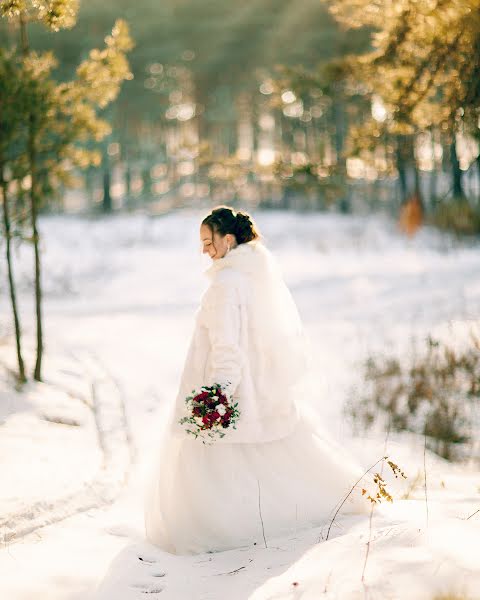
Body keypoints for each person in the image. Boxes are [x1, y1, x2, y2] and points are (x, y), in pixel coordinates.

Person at [144, 205, 371, 555]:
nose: (204, 250)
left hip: (228, 386)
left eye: (208, 242)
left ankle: (227, 526)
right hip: (256, 387)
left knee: (217, 466)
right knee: (265, 459)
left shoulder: (224, 285)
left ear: (229, 239)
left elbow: (227, 347)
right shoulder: (250, 277)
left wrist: (216, 395)